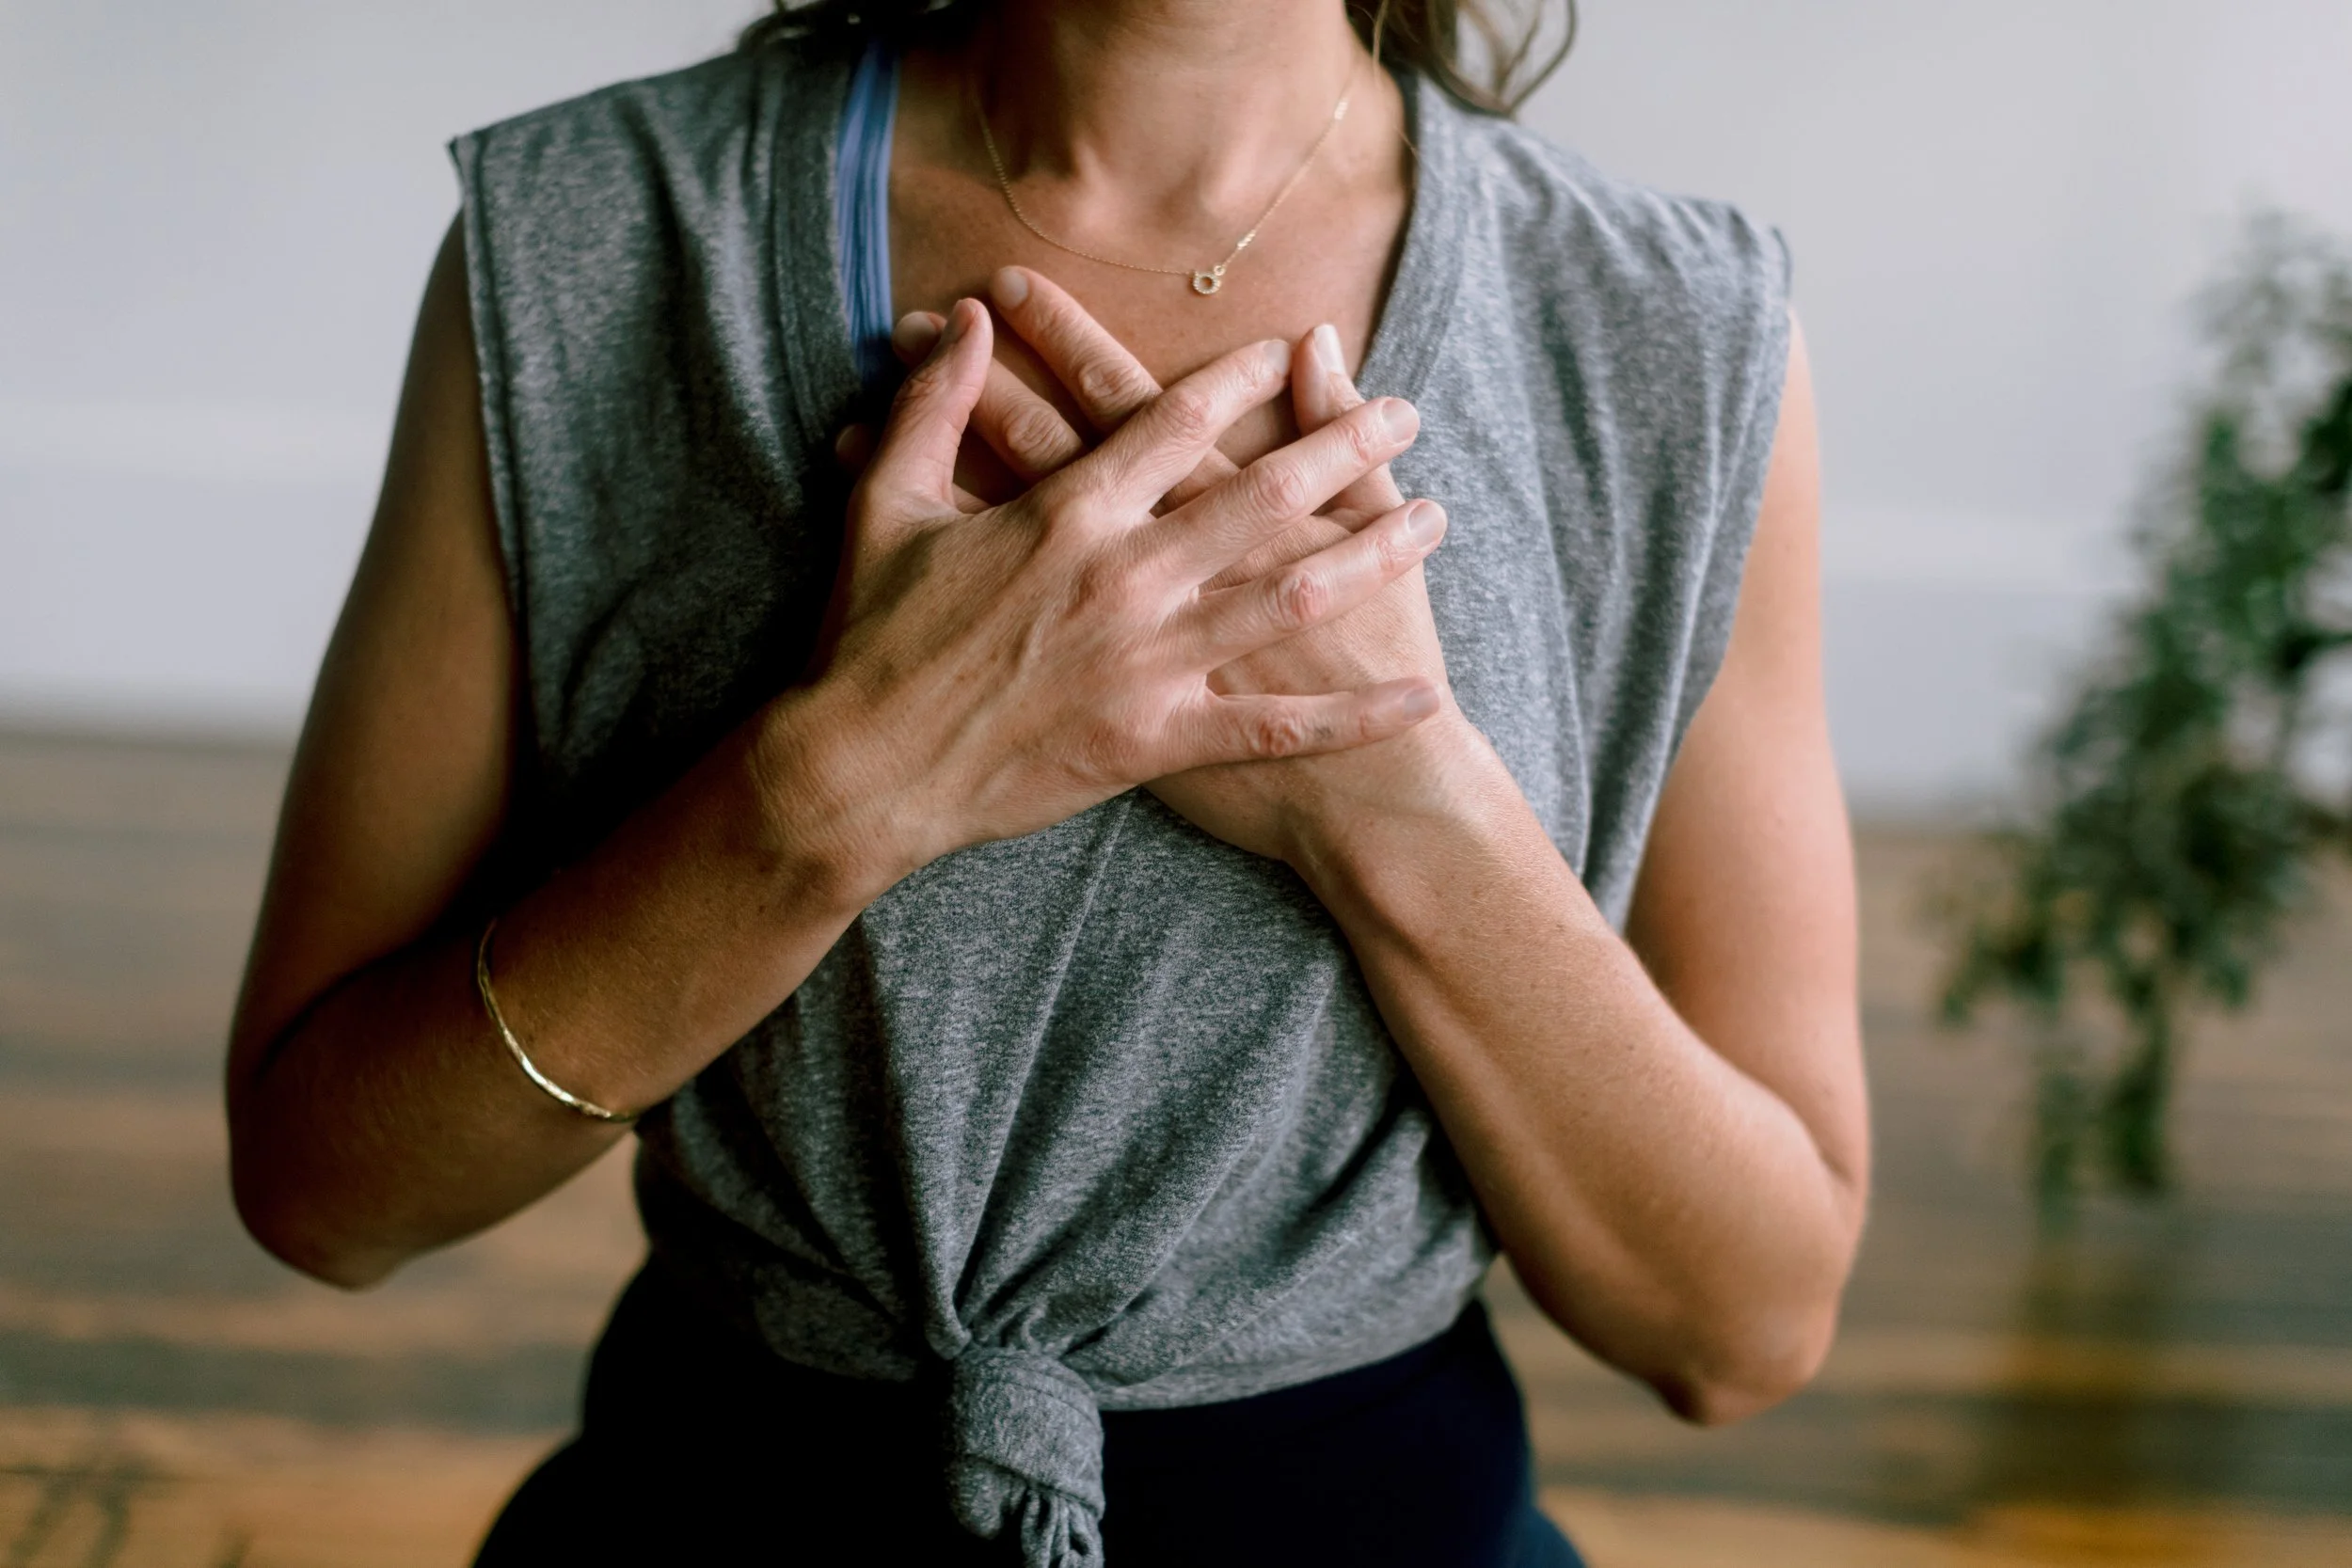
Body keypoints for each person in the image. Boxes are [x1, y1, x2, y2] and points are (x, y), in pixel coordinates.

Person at [224, 0, 1867, 1562]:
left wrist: (1400, 802)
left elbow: (1742, 1326)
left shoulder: (1679, 334)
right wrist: (828, 796)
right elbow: (327, 1186)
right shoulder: (592, 238)